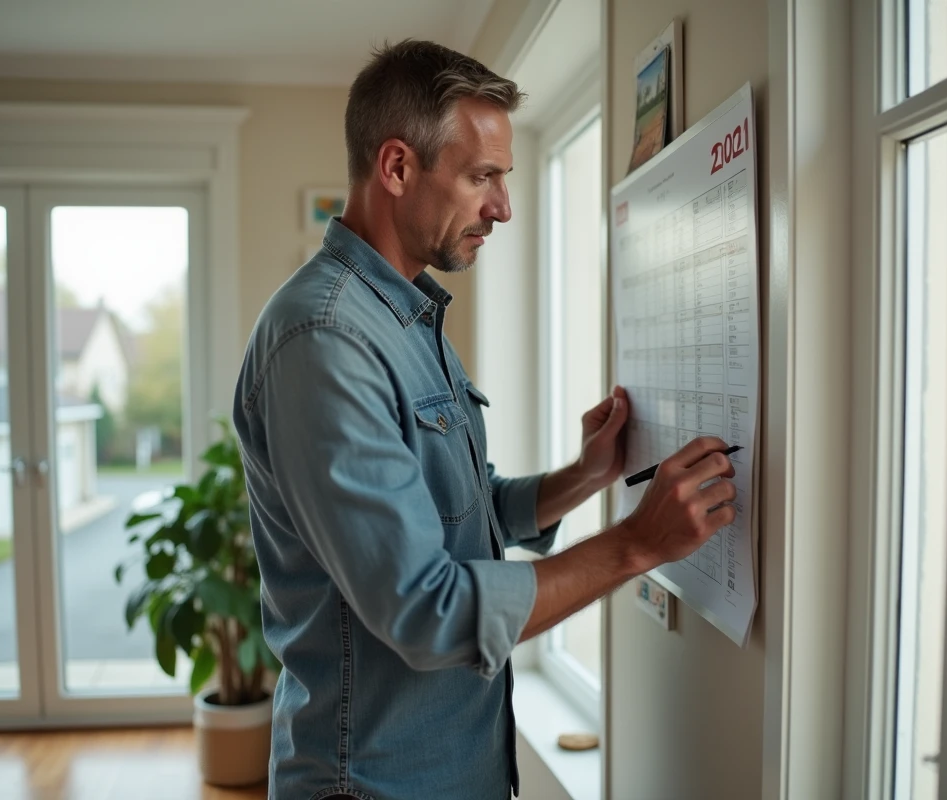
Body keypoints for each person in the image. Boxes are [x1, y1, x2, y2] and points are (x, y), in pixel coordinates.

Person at [232, 39, 738, 800]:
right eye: (484, 177)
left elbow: (459, 513)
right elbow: (424, 608)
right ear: (398, 168)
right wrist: (637, 544)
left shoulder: (405, 318)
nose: (503, 207)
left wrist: (584, 476)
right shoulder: (326, 340)